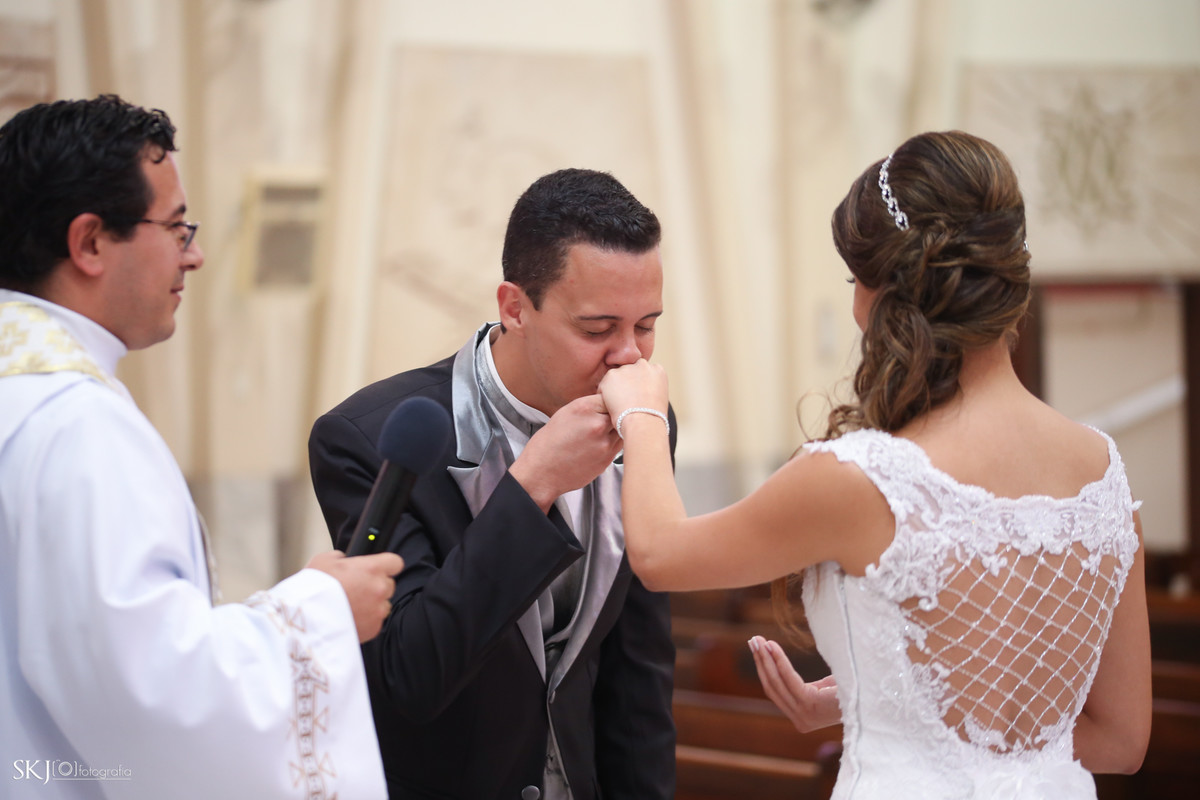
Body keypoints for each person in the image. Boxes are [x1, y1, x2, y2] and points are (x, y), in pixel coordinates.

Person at [599, 131, 1151, 798]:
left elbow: (660, 555)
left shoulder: (867, 478)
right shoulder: (1103, 475)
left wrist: (642, 411)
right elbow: (1120, 742)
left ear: (882, 294)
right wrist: (875, 707)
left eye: (853, 281)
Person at [0, 95, 402, 800]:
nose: (196, 254)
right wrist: (320, 609)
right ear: (90, 242)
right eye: (176, 226)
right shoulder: (77, 427)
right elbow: (150, 694)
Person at [308, 167, 676, 800]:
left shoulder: (650, 419)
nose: (629, 357)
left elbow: (637, 671)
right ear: (515, 307)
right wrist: (530, 486)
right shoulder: (370, 438)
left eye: (645, 325)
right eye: (597, 329)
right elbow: (409, 674)